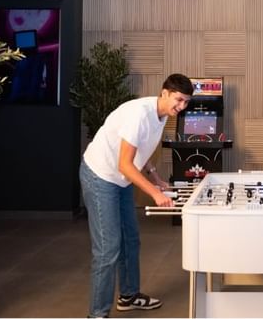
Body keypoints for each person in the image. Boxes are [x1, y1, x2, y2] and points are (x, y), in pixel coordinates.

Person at [79, 73, 194, 318]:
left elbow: (140, 153)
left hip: (120, 179)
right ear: (164, 93)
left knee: (131, 239)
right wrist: (154, 193)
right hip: (100, 176)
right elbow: (125, 164)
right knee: (108, 249)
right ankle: (97, 314)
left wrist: (156, 179)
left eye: (186, 102)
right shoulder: (139, 115)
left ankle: (129, 296)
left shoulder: (163, 115)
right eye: (178, 100)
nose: (181, 106)